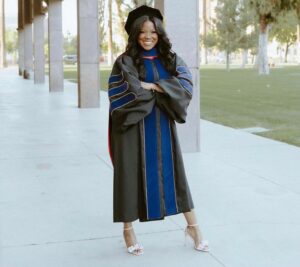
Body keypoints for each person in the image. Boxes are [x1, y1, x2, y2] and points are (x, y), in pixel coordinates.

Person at [107, 5, 209, 256]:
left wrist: (152, 85)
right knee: (130, 178)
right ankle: (128, 230)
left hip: (162, 127)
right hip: (131, 127)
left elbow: (185, 87)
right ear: (134, 34)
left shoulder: (170, 59)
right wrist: (164, 90)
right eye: (142, 32)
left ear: (159, 33)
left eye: (153, 31)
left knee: (175, 177)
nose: (148, 36)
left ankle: (194, 228)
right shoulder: (125, 62)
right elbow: (128, 94)